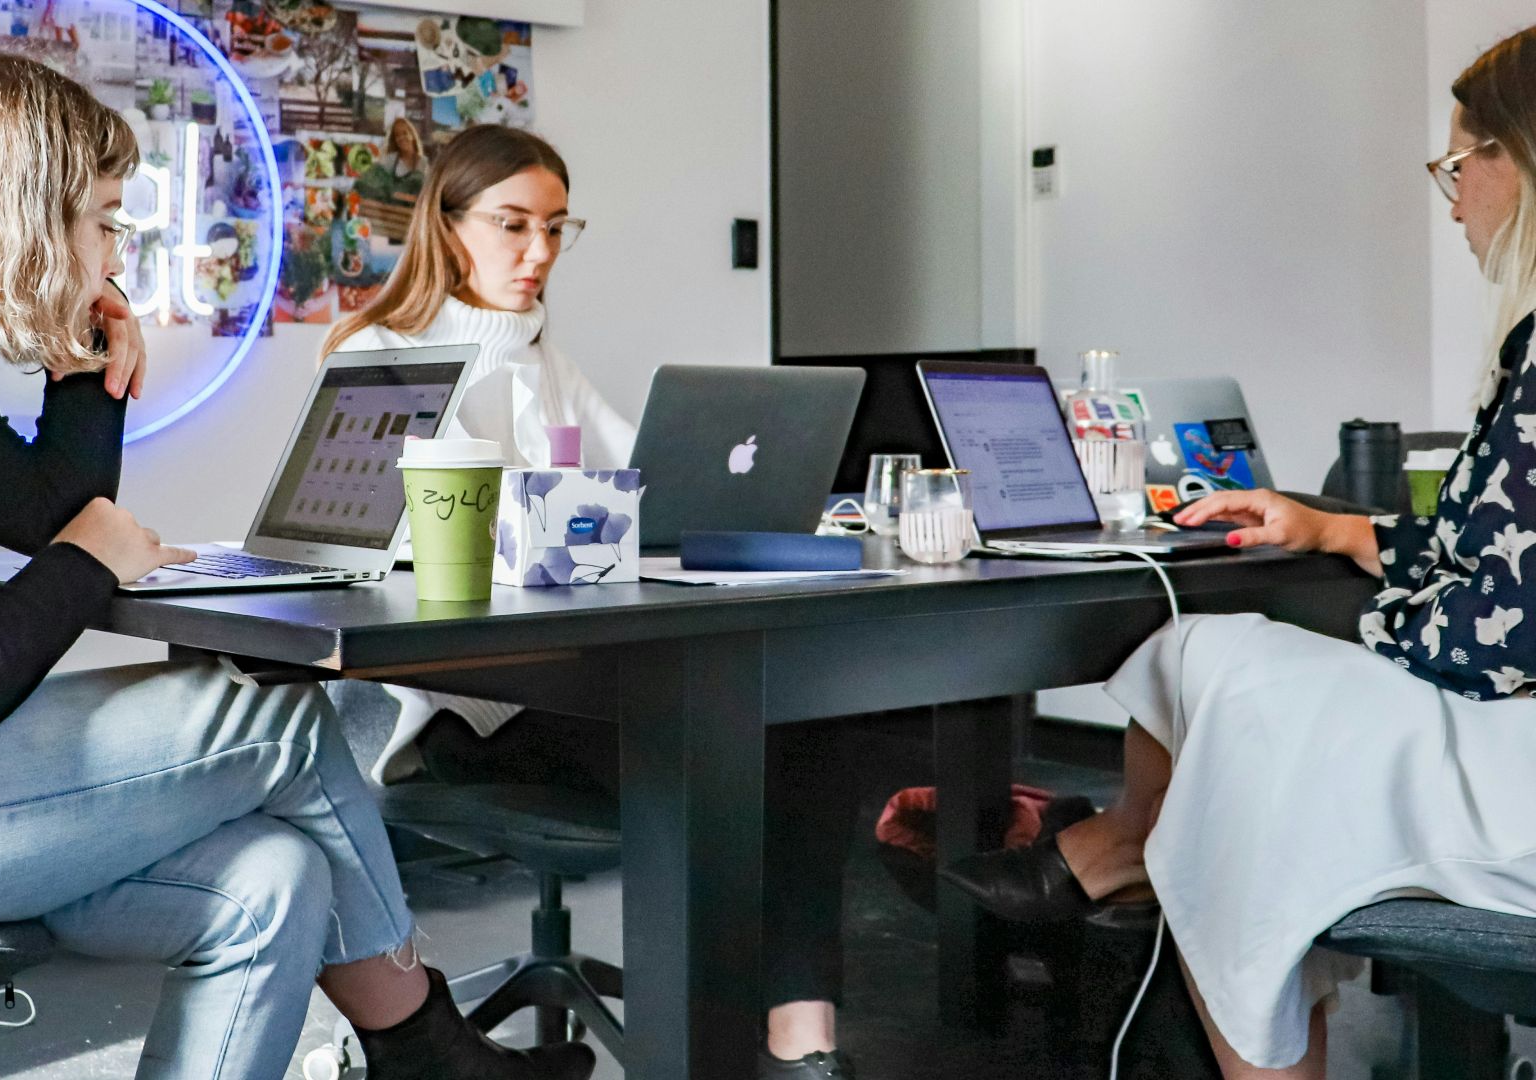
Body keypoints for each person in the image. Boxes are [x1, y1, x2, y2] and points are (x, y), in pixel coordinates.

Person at [0, 49, 593, 1080]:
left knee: (273, 875)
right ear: (27, 217)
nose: (115, 251)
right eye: (106, 222)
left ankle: (421, 1053)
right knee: (287, 722)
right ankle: (426, 1051)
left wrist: (89, 375)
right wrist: (87, 565)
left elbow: (43, 511)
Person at [940, 24, 1536, 1078]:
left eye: (1456, 165)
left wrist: (1351, 621)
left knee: (1228, 681)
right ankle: (1118, 856)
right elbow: (1494, 558)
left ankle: (1110, 860)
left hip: (1513, 758)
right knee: (1200, 658)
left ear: (1519, 159)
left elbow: (1488, 640)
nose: (1447, 197)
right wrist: (1334, 531)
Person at [323, 124, 864, 1080]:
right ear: (448, 228)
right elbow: (388, 555)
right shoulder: (381, 352)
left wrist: (782, 502)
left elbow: (645, 481)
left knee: (806, 725)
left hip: (578, 682)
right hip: (465, 706)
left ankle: (802, 1031)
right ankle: (765, 1025)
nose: (539, 253)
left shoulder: (542, 357)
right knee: (755, 745)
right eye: (513, 225)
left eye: (558, 229)